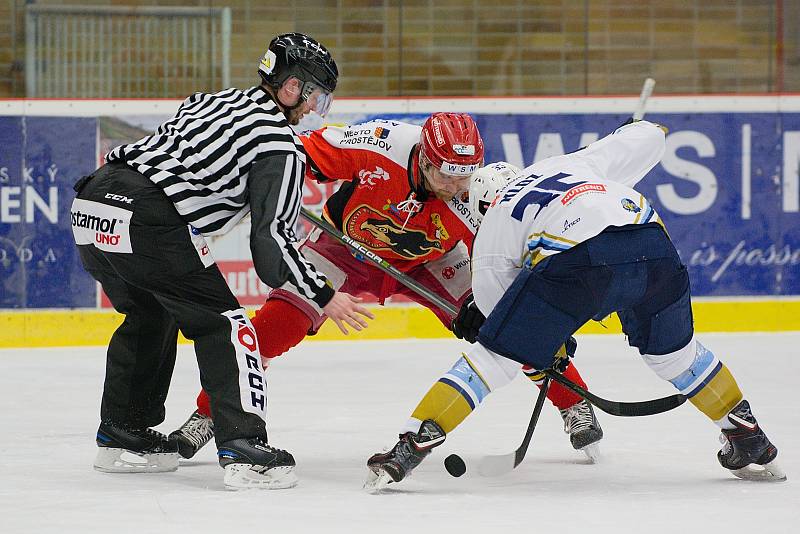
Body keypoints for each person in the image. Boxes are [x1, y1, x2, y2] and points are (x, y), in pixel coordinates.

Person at [365, 120, 785, 489]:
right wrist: (629, 128)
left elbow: (498, 314)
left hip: (579, 262)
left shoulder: (494, 221)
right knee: (677, 358)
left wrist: (545, 342)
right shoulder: (568, 164)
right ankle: (747, 434)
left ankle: (411, 443)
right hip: (653, 246)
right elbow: (650, 136)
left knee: (491, 360)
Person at [169, 114, 603, 461]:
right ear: (425, 159)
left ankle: (572, 403)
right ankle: (211, 413)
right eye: (447, 177)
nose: (456, 187)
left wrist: (542, 319)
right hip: (346, 248)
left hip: (432, 260)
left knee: (505, 323)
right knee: (276, 325)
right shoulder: (379, 143)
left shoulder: (476, 195)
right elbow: (295, 155)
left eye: (464, 177)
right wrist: (266, 186)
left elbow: (509, 269)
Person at [70, 32, 372, 490]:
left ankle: (122, 435)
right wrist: (322, 293)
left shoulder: (214, 101)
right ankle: (244, 447)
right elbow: (270, 247)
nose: (314, 108)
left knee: (150, 312)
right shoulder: (280, 144)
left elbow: (180, 157)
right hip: (149, 219)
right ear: (291, 87)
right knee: (228, 326)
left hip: (94, 203)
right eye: (315, 95)